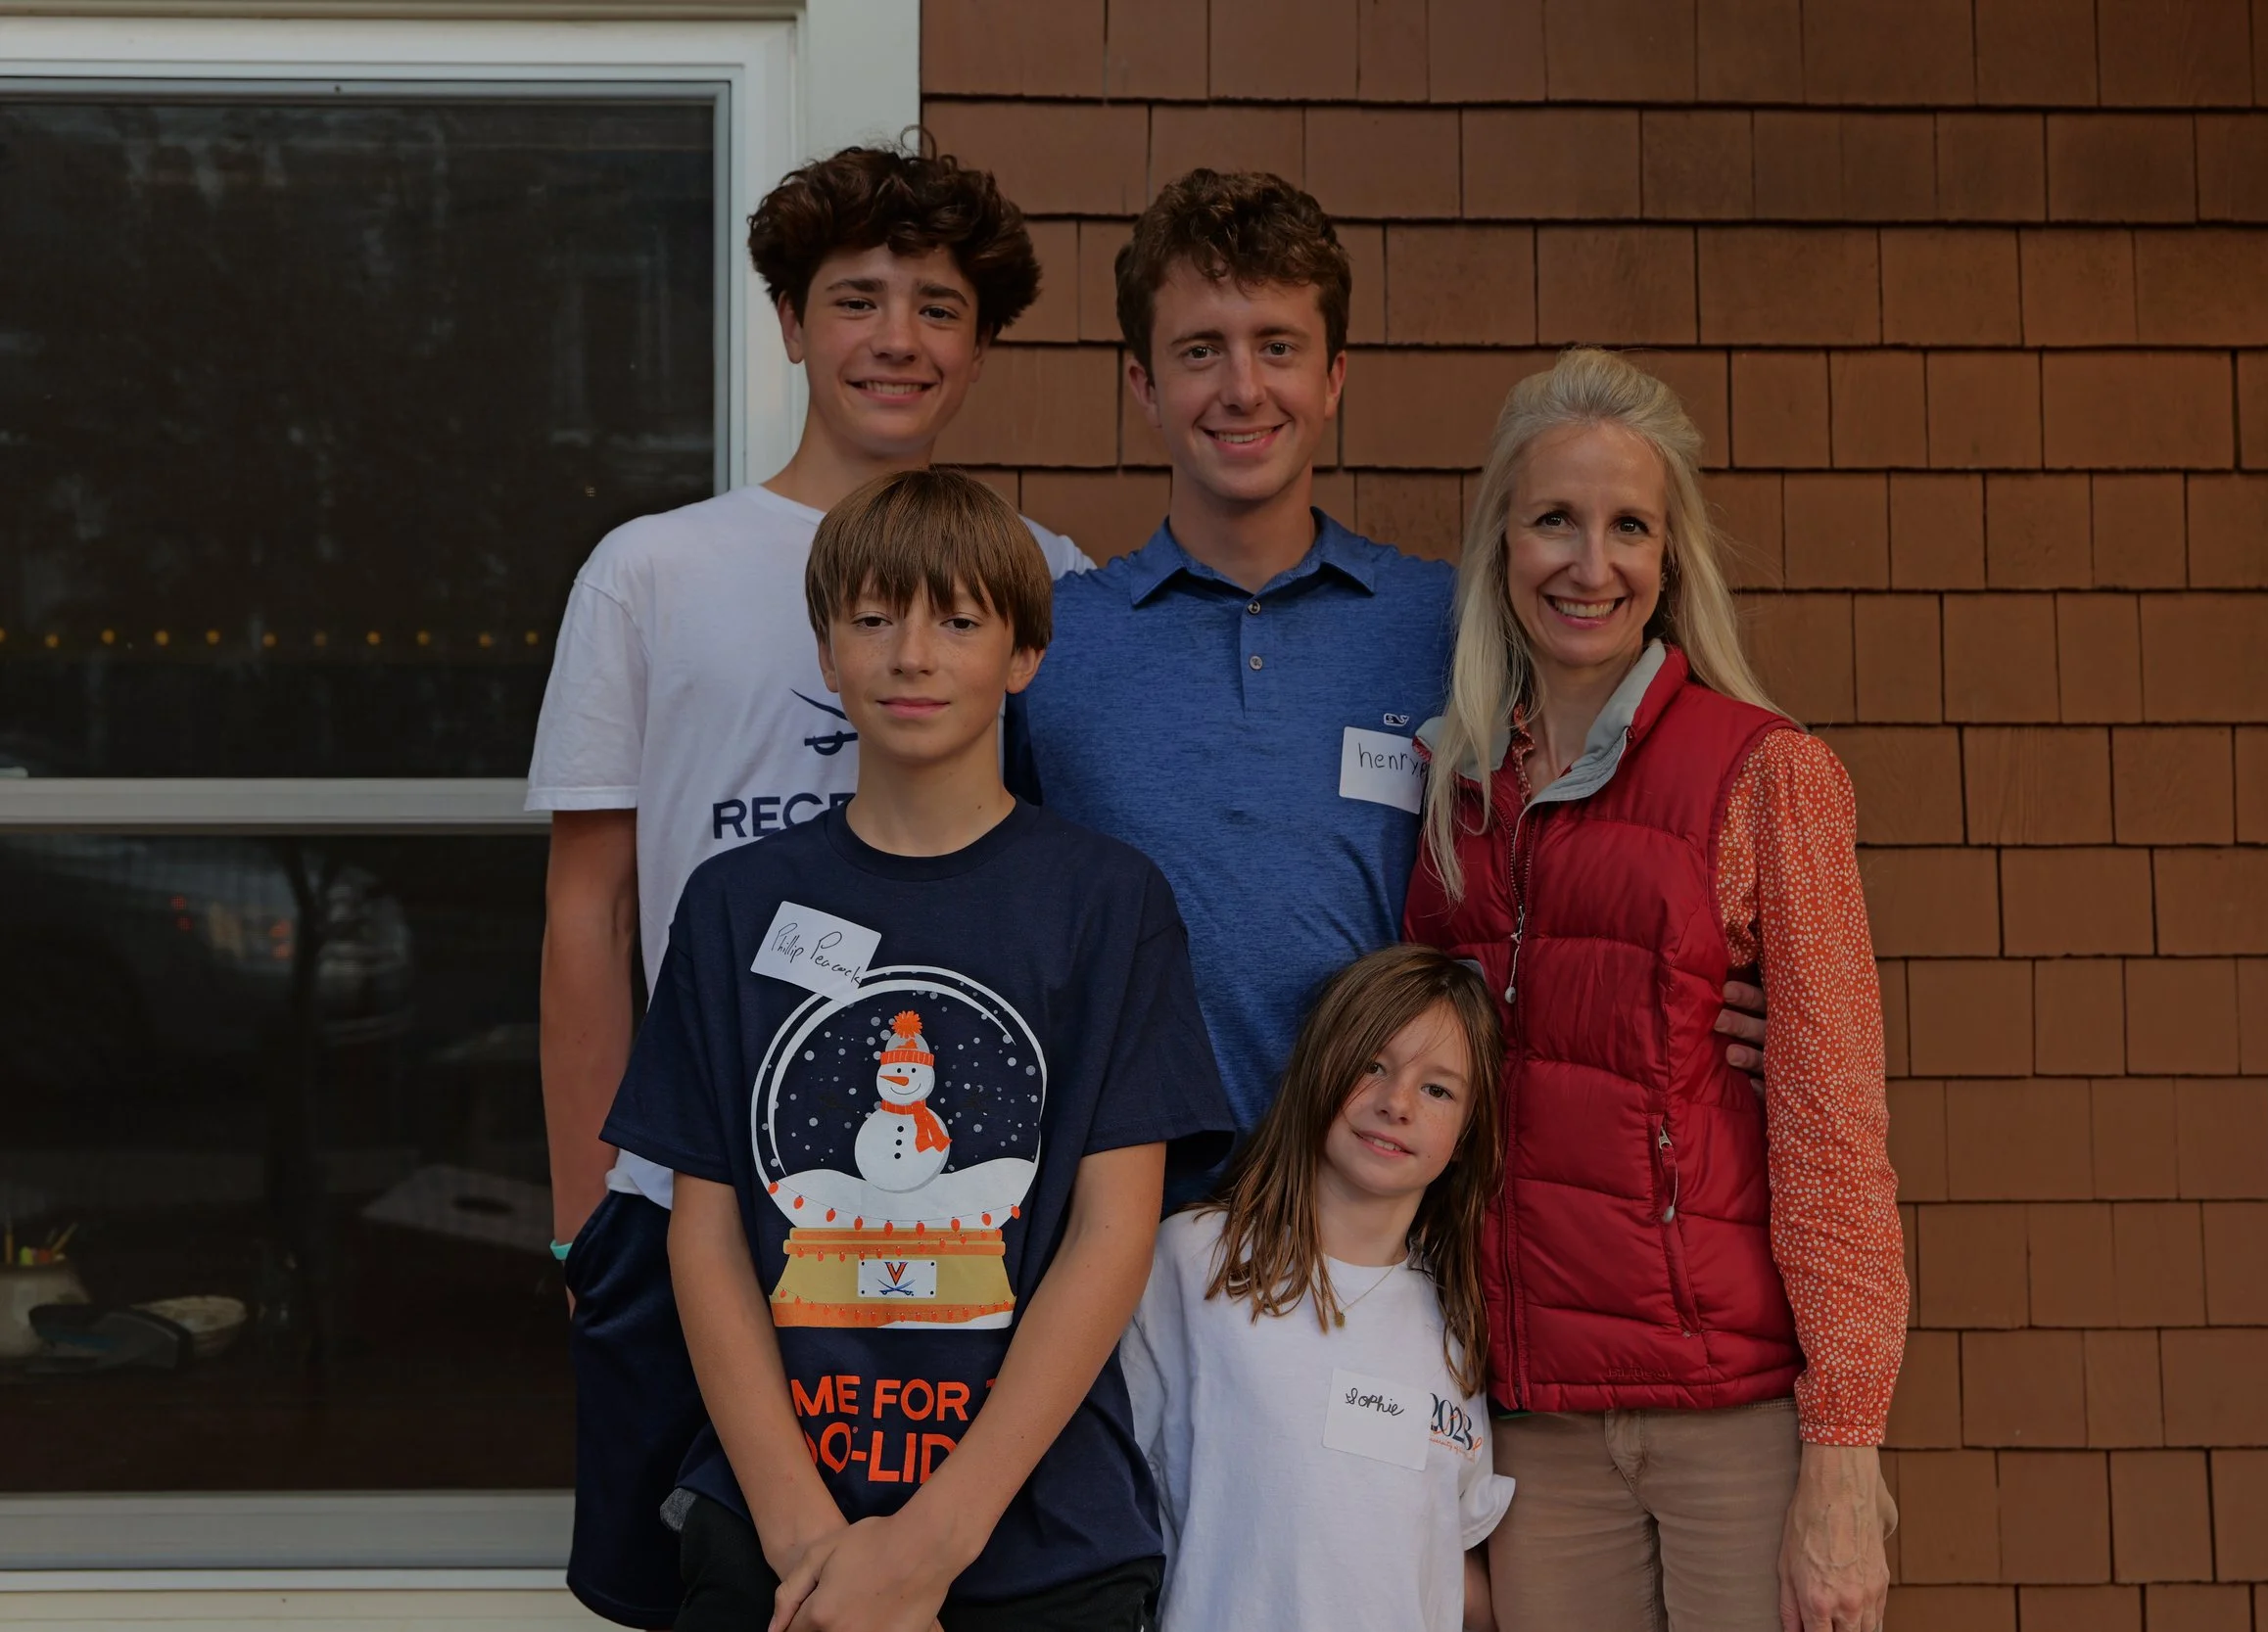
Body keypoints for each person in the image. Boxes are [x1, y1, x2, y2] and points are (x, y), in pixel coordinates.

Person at [528, 145, 1091, 1628]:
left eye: (938, 306)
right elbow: (588, 908)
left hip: (942, 1231)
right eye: (855, 300)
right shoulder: (652, 569)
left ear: (979, 344)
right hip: (687, 1195)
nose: (896, 337)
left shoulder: (1045, 574)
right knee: (708, 1583)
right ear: (788, 321)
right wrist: (591, 1208)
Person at [1013, 170, 1766, 1182]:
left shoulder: (1458, 623)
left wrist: (1735, 991)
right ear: (1143, 385)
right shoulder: (1053, 646)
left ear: (1332, 378)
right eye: (1201, 352)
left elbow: (1615, 829)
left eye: (1278, 347)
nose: (1243, 388)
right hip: (1134, 1234)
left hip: (1396, 1230)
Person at [600, 468, 1234, 1632]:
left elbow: (1111, 1227)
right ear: (828, 650)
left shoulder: (1105, 903)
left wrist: (932, 1542)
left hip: (1038, 1523)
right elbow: (705, 1231)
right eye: (875, 616)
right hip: (778, 1529)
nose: (912, 654)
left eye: (957, 619)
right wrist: (808, 1541)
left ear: (1023, 654)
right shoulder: (737, 903)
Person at [1403, 348, 1908, 1632]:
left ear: (1672, 555)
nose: (1591, 561)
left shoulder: (1765, 775)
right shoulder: (1459, 792)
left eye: (1630, 525)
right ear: (1500, 543)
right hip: (1538, 1423)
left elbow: (1832, 1122)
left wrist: (1845, 1446)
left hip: (1729, 1413)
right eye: (1554, 520)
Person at [1122, 945, 1513, 1632]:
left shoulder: (1458, 1317)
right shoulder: (1195, 1260)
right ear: (1318, 1065)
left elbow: (1450, 1563)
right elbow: (1112, 1499)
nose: (1396, 1103)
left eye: (1438, 1088)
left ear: (1469, 1127)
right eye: (1372, 1065)